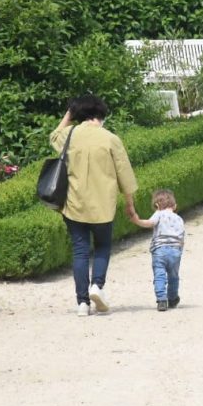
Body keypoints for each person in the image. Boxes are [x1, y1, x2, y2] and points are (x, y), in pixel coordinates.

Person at [50, 94, 138, 317]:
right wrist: (130, 205)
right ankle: (97, 286)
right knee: (102, 247)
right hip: (103, 205)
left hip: (74, 203)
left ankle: (82, 303)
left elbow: (54, 136)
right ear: (101, 114)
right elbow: (125, 176)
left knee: (80, 251)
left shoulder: (70, 135)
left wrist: (69, 115)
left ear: (78, 114)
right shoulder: (110, 139)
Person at [130, 188, 185, 311]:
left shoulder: (159, 213)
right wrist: (179, 251)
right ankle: (173, 298)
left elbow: (150, 223)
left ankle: (161, 299)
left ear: (157, 205)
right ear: (175, 206)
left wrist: (137, 221)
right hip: (176, 252)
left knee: (159, 275)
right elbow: (182, 238)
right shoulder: (179, 219)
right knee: (173, 276)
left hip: (159, 251)